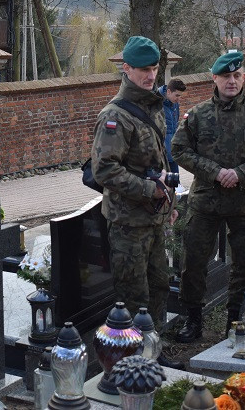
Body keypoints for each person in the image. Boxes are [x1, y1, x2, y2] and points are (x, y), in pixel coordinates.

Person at [171, 51, 245, 343]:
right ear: (214, 78)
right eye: (225, 76)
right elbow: (179, 150)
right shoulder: (198, 114)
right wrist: (215, 172)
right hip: (206, 203)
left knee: (244, 265)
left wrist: (240, 173)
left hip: (244, 203)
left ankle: (235, 320)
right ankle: (193, 321)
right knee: (193, 263)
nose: (231, 81)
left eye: (237, 75)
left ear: (243, 78)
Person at [91, 36, 177, 331]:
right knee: (134, 296)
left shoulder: (153, 106)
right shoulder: (115, 116)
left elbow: (160, 162)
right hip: (128, 223)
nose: (151, 75)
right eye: (143, 69)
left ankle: (155, 348)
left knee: (159, 286)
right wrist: (149, 190)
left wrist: (169, 203)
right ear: (126, 68)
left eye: (154, 68)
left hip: (153, 218)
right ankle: (133, 360)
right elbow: (104, 170)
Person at [158, 78, 186, 175]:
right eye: (177, 95)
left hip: (173, 150)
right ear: (169, 91)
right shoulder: (157, 103)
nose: (178, 99)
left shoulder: (174, 103)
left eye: (180, 96)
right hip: (162, 154)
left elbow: (175, 126)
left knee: (175, 181)